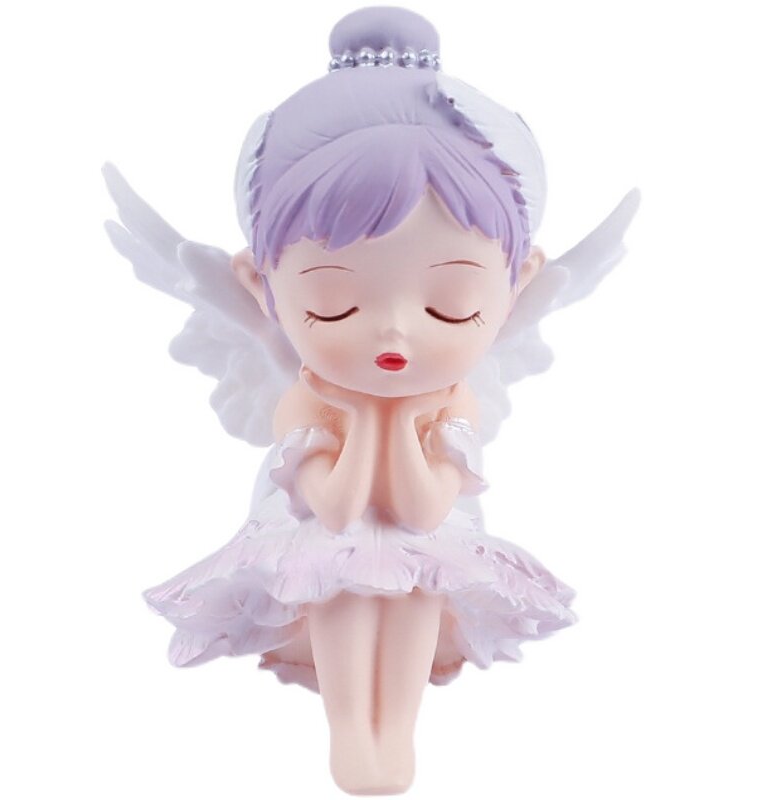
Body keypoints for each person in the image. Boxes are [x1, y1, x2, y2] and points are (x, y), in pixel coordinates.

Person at [103, 6, 639, 794]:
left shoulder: (453, 402)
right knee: (347, 580)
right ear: (261, 286)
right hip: (322, 535)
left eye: (451, 305)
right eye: (334, 306)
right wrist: (359, 419)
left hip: (423, 534)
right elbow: (333, 507)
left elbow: (424, 513)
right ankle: (352, 727)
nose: (394, 331)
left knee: (418, 582)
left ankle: (398, 727)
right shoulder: (306, 403)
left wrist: (399, 421)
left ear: (517, 285)